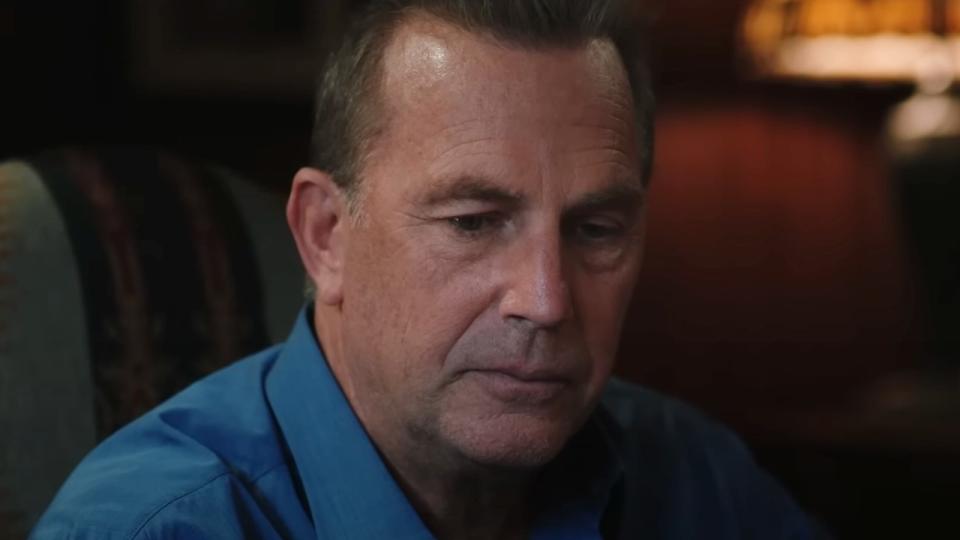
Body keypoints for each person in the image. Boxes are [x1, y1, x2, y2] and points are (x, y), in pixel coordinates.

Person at [33, 1, 820, 538]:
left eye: (595, 229)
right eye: (473, 223)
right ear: (326, 236)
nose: (546, 301)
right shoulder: (150, 526)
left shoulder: (694, 477)